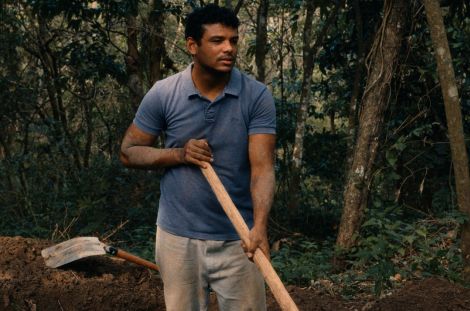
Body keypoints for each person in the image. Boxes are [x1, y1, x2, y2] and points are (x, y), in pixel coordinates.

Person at [120, 3, 276, 310]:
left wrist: (259, 227)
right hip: (178, 239)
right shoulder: (165, 93)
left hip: (239, 239)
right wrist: (179, 153)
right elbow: (128, 152)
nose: (228, 48)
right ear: (192, 45)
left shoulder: (256, 96)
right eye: (217, 41)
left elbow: (263, 168)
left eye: (233, 40)